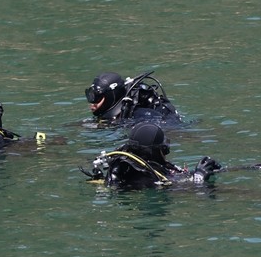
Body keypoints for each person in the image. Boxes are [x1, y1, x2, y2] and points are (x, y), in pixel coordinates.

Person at [83, 122, 222, 188]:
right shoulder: (145, 176)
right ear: (154, 151)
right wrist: (198, 178)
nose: (166, 153)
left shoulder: (132, 167)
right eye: (164, 149)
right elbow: (175, 189)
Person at [86, 70, 182, 127]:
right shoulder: (117, 116)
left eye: (97, 98)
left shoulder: (141, 116)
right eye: (90, 96)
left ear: (110, 97)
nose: (92, 103)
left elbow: (170, 130)